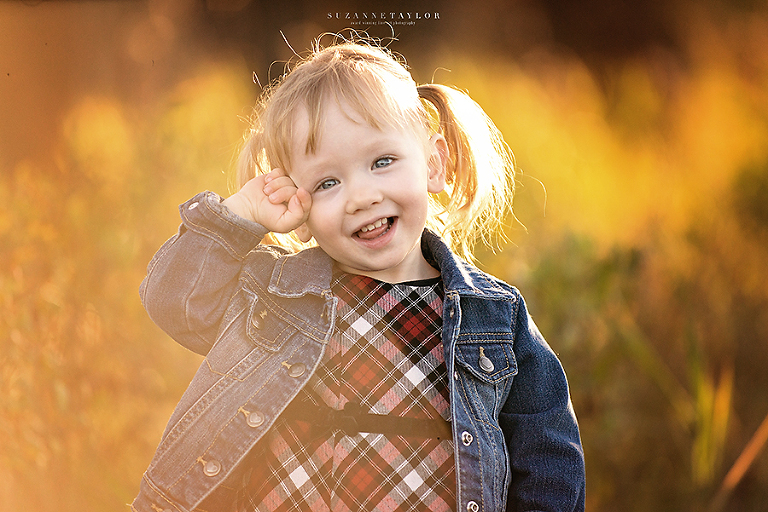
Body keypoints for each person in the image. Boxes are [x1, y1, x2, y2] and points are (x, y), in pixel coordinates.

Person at [131, 38, 585, 512]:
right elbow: (173, 300)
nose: (361, 196)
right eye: (328, 183)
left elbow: (550, 459)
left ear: (434, 164)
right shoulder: (275, 298)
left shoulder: (492, 317)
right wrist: (239, 214)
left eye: (381, 162)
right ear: (299, 204)